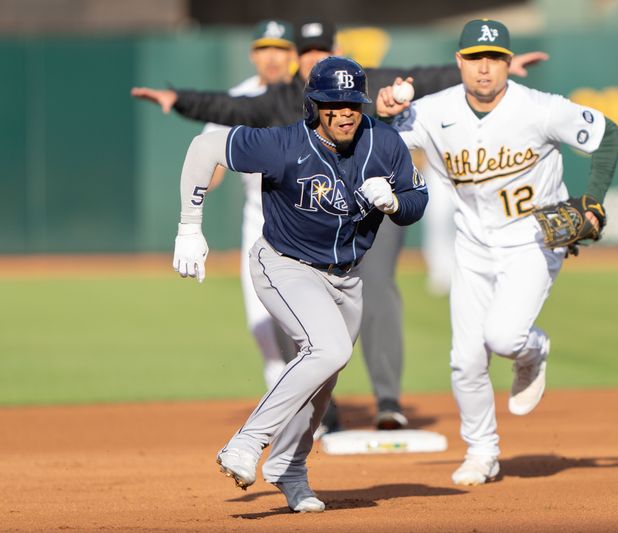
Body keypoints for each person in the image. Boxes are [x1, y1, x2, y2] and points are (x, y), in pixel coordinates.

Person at [132, 20, 549, 432]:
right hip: (304, 219)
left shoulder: (358, 82)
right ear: (298, 57)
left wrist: (492, 72)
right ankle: (318, 412)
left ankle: (387, 400)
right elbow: (226, 108)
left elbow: (424, 78)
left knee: (379, 291)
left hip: (373, 206)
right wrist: (179, 99)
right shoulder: (280, 98)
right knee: (290, 312)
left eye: (322, 49)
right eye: (307, 50)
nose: (314, 56)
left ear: (335, 50)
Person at [172, 57, 427, 512]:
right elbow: (204, 146)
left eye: (353, 102)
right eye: (333, 104)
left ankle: (290, 468)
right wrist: (189, 226)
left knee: (325, 376)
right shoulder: (284, 144)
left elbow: (417, 197)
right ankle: (248, 442)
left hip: (347, 278)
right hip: (284, 264)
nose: (346, 112)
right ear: (314, 106)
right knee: (328, 350)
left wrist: (395, 203)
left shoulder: (383, 142)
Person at [377, 19, 618, 486]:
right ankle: (482, 450)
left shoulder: (541, 109)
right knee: (465, 359)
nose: (484, 69)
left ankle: (533, 349)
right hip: (472, 244)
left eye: (494, 59)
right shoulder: (431, 111)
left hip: (532, 239)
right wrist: (385, 111)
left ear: (508, 64)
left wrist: (593, 199)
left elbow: (607, 133)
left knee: (505, 337)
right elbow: (376, 139)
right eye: (474, 59)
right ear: (459, 63)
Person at [202, 19, 297, 390]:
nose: (272, 58)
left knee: (303, 324)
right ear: (252, 55)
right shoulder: (238, 102)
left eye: (280, 49)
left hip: (305, 222)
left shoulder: (308, 98)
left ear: (293, 55)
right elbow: (209, 166)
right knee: (261, 325)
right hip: (258, 223)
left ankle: (315, 410)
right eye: (264, 49)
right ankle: (286, 408)